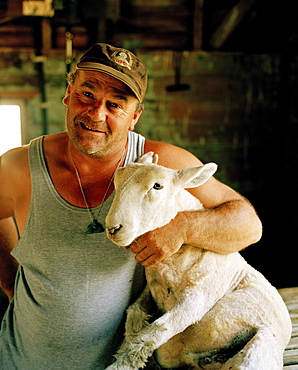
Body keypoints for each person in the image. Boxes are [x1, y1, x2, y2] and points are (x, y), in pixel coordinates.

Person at [0, 43, 262, 369]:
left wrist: (182, 227)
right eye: (87, 94)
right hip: (21, 358)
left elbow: (248, 224)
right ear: (68, 94)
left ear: (134, 116)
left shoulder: (162, 165)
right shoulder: (18, 166)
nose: (97, 113)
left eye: (116, 104)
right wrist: (10, 282)